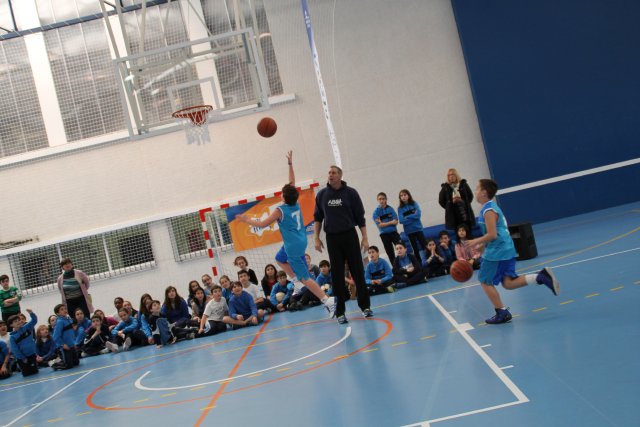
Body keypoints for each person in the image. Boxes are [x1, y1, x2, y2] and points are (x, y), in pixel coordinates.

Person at [236, 151, 337, 319]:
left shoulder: (280, 210)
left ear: (283, 196)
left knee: (305, 278)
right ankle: (295, 279)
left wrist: (247, 220)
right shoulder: (294, 202)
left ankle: (327, 300)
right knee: (279, 258)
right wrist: (290, 164)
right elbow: (292, 182)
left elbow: (262, 224)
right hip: (300, 240)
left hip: (293, 247)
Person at [465, 179, 560, 324]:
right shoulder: (491, 207)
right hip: (506, 248)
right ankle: (540, 277)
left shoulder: (488, 211)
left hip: (498, 252)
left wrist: (475, 241)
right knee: (508, 283)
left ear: (484, 192)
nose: (475, 191)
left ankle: (501, 312)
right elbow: (496, 233)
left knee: (484, 280)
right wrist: (482, 246)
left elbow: (492, 235)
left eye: (477, 188)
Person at [313, 162, 371, 324]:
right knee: (337, 276)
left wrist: (365, 237)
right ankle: (340, 312)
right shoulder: (322, 195)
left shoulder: (351, 193)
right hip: (332, 238)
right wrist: (316, 237)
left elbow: (360, 217)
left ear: (340, 175)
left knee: (358, 271)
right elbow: (317, 218)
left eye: (333, 172)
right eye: (329, 173)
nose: (330, 175)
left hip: (350, 235)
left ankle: (365, 306)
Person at [398, 189, 428, 264]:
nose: (403, 197)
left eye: (405, 195)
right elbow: (401, 220)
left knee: (425, 246)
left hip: (418, 229)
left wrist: (407, 217)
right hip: (409, 231)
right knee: (415, 249)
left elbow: (418, 215)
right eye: (401, 196)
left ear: (408, 195)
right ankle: (419, 265)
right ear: (400, 198)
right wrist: (413, 216)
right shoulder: (400, 208)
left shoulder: (414, 204)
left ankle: (429, 262)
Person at [372, 192, 401, 263]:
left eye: (383, 199)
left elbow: (396, 222)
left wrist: (384, 223)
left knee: (401, 248)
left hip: (394, 233)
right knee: (390, 253)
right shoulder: (375, 212)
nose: (381, 200)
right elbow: (380, 225)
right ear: (377, 200)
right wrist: (391, 222)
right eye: (380, 199)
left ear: (386, 199)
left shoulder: (391, 209)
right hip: (384, 235)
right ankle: (395, 268)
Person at [8, 309, 38, 376]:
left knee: (35, 372)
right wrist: (22, 358)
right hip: (22, 359)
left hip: (32, 355)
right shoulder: (12, 337)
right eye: (15, 321)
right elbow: (15, 350)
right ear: (11, 325)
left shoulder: (27, 327)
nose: (18, 322)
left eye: (18, 320)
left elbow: (34, 320)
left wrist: (31, 313)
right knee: (27, 374)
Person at [52, 304, 79, 370]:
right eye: (62, 309)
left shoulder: (69, 319)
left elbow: (72, 333)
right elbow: (55, 337)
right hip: (65, 347)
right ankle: (54, 364)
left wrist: (74, 343)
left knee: (76, 363)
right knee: (69, 366)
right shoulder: (59, 322)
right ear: (58, 313)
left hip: (72, 345)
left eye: (65, 308)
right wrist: (62, 344)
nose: (64, 310)